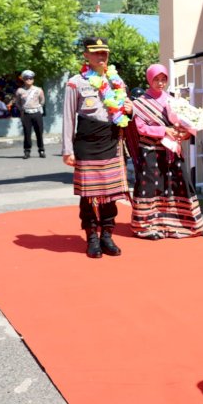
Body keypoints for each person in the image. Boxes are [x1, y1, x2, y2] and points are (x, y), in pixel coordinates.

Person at [62, 36, 133, 258]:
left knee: (111, 195)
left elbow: (126, 109)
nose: (101, 56)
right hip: (87, 144)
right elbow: (68, 118)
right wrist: (67, 149)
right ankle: (92, 237)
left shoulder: (116, 80)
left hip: (112, 142)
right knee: (89, 196)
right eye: (96, 53)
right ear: (86, 55)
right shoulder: (76, 82)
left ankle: (107, 236)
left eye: (104, 53)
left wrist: (131, 109)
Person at [127, 64, 203, 239]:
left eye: (164, 79)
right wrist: (165, 131)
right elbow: (141, 128)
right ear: (149, 79)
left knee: (175, 185)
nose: (160, 83)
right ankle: (146, 226)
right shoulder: (140, 103)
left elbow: (183, 122)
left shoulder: (173, 100)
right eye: (156, 79)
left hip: (171, 150)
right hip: (150, 150)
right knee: (151, 187)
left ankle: (177, 224)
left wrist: (184, 132)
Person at [14, 70, 46, 159]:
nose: (29, 80)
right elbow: (17, 102)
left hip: (36, 113)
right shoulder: (20, 91)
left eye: (31, 78)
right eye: (26, 78)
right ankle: (27, 151)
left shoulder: (38, 90)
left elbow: (42, 101)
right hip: (26, 114)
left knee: (39, 132)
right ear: (23, 80)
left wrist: (37, 107)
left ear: (33, 79)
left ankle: (41, 150)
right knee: (27, 133)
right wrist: (22, 109)